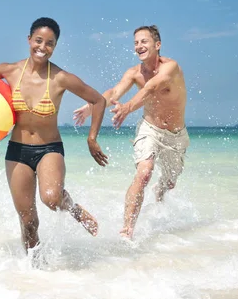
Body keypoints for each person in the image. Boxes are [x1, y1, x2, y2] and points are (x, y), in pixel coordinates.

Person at [0, 17, 107, 253]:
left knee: (51, 198)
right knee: (29, 223)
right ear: (29, 40)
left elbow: (98, 100)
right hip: (17, 151)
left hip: (49, 149)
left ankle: (73, 209)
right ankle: (34, 273)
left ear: (55, 47)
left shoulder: (60, 78)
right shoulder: (8, 70)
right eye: (38, 40)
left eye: (50, 43)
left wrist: (92, 139)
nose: (43, 47)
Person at [73, 25, 189, 240]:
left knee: (169, 183)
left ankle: (160, 193)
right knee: (144, 172)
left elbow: (151, 88)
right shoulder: (134, 73)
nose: (139, 46)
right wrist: (93, 106)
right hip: (150, 129)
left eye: (144, 41)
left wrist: (127, 108)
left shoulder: (170, 67)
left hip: (176, 135)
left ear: (157, 45)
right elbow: (114, 92)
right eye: (136, 43)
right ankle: (127, 229)